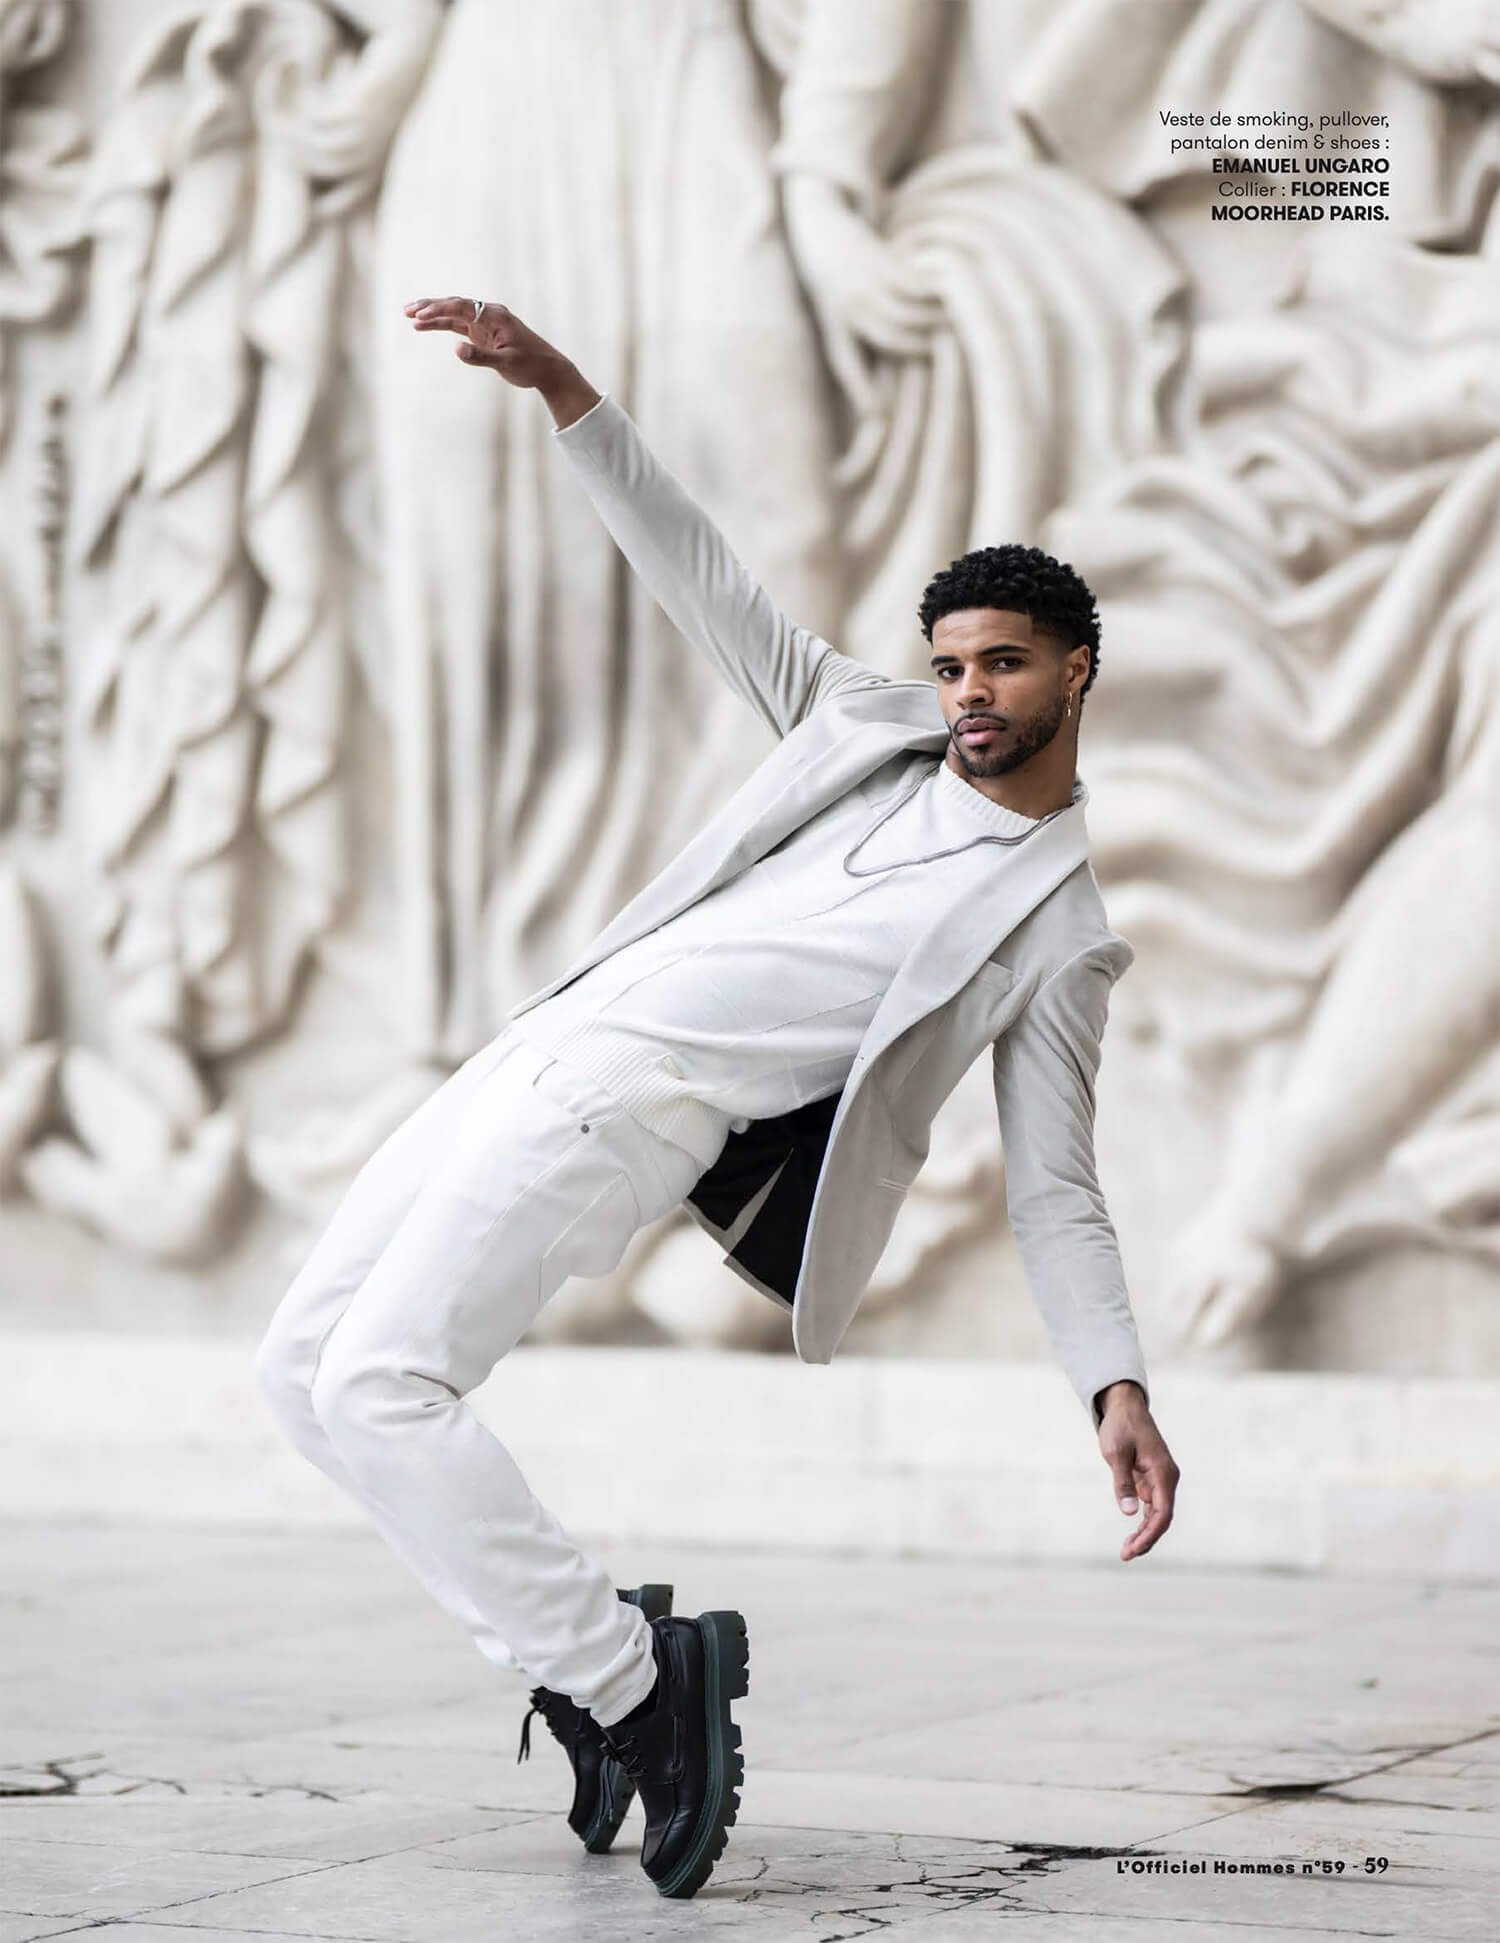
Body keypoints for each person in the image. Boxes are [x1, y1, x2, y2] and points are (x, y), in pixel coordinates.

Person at [256, 293, 1180, 1901]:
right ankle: (597, 1659)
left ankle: (634, 1690)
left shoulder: (1059, 934)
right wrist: (567, 396)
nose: (969, 692)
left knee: (385, 1384)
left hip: (630, 1109)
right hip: (532, 1047)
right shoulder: (855, 726)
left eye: (1005, 666)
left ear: (1076, 675)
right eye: (953, 663)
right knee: (296, 1368)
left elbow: (1056, 1186)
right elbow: (703, 576)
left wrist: (1113, 1384)